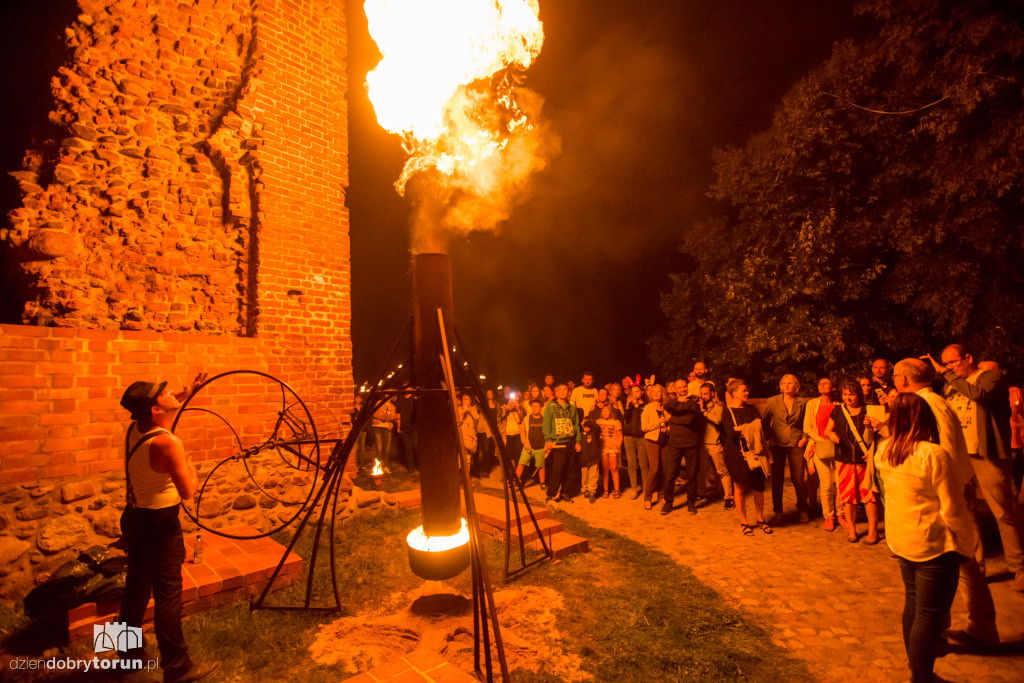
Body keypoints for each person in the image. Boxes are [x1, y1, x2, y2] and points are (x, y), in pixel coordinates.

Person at [875, 358, 999, 648]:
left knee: (964, 562)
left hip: (948, 492)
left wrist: (948, 497)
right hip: (944, 489)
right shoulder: (928, 401)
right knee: (953, 567)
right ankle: (944, 632)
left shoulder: (930, 404)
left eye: (895, 375)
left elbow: (946, 453)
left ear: (903, 379)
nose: (893, 380)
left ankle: (977, 629)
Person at [118, 376, 219, 683]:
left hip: (134, 518)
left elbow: (168, 404)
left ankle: (126, 654)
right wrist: (192, 466)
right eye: (163, 394)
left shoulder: (135, 428)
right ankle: (178, 668)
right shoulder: (168, 443)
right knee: (168, 595)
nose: (168, 393)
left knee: (136, 587)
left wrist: (188, 391)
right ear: (154, 409)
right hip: (159, 524)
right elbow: (188, 491)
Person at [874, 393, 976, 683]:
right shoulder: (932, 454)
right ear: (925, 418)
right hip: (933, 543)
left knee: (913, 603)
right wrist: (967, 543)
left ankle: (917, 666)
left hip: (902, 538)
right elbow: (952, 507)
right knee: (930, 614)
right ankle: (921, 676)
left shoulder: (883, 450)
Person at [926, 344, 1024, 593]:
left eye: (952, 362)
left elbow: (978, 395)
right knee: (967, 513)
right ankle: (977, 568)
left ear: (968, 357)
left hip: (986, 451)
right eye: (946, 364)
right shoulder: (951, 384)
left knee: (1003, 510)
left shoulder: (991, 376)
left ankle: (1019, 567)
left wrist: (945, 374)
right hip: (960, 454)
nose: (949, 368)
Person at [824, 380, 880, 543]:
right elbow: (828, 429)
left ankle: (873, 531)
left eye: (852, 394)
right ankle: (852, 530)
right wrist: (831, 435)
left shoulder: (868, 410)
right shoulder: (838, 410)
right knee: (848, 496)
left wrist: (871, 450)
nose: (848, 398)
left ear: (859, 394)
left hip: (865, 460)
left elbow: (878, 433)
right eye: (845, 394)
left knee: (869, 496)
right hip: (845, 458)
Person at [721, 379, 771, 535]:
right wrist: (751, 428)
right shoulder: (727, 412)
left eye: (746, 390)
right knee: (740, 487)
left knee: (758, 486)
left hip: (755, 452)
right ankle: (744, 522)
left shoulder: (752, 409)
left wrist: (743, 429)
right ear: (734, 393)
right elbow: (731, 433)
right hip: (736, 453)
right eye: (743, 390)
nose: (747, 393)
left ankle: (760, 519)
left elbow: (761, 428)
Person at [762, 374, 809, 524]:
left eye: (790, 384)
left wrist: (804, 437)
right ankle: (778, 512)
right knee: (777, 480)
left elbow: (807, 422)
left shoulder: (803, 403)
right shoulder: (773, 401)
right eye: (784, 383)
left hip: (796, 443)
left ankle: (803, 509)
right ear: (781, 386)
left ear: (796, 387)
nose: (787, 386)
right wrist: (770, 438)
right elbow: (764, 422)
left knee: (798, 479)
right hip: (777, 444)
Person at [661, 379, 704, 515]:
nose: (682, 389)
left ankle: (691, 502)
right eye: (679, 387)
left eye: (684, 387)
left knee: (692, 475)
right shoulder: (672, 402)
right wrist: (682, 405)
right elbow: (667, 406)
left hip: (691, 443)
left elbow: (690, 419)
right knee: (670, 475)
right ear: (675, 389)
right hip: (675, 444)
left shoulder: (694, 402)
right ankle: (668, 503)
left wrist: (675, 417)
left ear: (687, 387)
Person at [804, 378, 839, 531]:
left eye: (826, 383)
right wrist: (822, 440)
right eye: (820, 384)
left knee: (839, 483)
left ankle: (842, 514)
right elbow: (808, 427)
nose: (823, 385)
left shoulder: (839, 405)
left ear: (833, 388)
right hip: (818, 446)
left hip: (837, 447)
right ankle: (829, 516)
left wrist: (834, 440)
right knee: (826, 483)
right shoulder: (812, 404)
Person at [543, 384, 582, 503]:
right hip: (558, 443)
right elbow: (546, 424)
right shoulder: (551, 405)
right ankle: (550, 494)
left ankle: (564, 492)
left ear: (568, 392)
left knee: (569, 470)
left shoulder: (572, 406)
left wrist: (578, 441)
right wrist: (548, 439)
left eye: (565, 389)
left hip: (570, 441)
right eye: (560, 390)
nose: (563, 391)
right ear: (556, 393)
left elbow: (576, 425)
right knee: (558, 469)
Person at [699, 382, 733, 509]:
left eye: (705, 393)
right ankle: (710, 492)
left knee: (722, 471)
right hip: (702, 444)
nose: (703, 396)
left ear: (712, 393)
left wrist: (703, 412)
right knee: (703, 471)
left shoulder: (718, 408)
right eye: (701, 394)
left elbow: (717, 420)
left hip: (714, 443)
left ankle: (729, 497)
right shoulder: (700, 407)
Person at [640, 384, 670, 510]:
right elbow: (644, 427)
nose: (657, 394)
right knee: (654, 469)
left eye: (660, 392)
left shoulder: (666, 408)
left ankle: (661, 495)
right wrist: (658, 423)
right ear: (651, 395)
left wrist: (667, 429)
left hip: (665, 441)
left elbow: (670, 423)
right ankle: (647, 498)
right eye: (655, 392)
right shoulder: (647, 408)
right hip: (652, 441)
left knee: (664, 470)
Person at [622, 383, 648, 500]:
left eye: (637, 391)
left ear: (641, 392)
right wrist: (628, 406)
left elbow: (643, 420)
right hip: (628, 437)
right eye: (632, 392)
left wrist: (637, 406)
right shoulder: (629, 405)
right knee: (632, 464)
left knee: (643, 464)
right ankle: (634, 488)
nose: (635, 394)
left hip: (641, 437)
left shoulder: (646, 405)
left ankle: (647, 488)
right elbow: (626, 419)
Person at [516, 399, 546, 490]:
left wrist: (546, 445)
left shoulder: (544, 419)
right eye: (533, 406)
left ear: (540, 408)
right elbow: (522, 431)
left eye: (537, 406)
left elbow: (548, 432)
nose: (535, 408)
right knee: (521, 463)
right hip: (528, 446)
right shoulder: (527, 418)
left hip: (540, 447)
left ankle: (542, 482)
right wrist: (524, 442)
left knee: (541, 466)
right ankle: (516, 480)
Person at [597, 405, 623, 498]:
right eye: (603, 411)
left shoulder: (616, 422)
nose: (605, 413)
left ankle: (617, 489)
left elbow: (620, 436)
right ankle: (606, 490)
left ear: (610, 412)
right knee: (605, 469)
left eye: (607, 411)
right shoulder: (599, 422)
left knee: (614, 468)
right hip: (603, 448)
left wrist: (618, 447)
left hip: (612, 448)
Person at [370, 395, 397, 473]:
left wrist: (384, 417)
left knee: (387, 449)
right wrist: (384, 417)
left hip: (387, 428)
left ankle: (385, 465)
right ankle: (378, 467)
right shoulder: (379, 403)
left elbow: (393, 416)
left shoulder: (392, 406)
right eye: (387, 394)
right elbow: (374, 413)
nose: (389, 396)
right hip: (377, 426)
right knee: (379, 448)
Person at [579, 413, 602, 503]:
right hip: (584, 459)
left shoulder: (594, 433)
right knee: (584, 477)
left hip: (593, 459)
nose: (586, 428)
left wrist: (590, 421)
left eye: (588, 426)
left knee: (593, 476)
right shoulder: (580, 435)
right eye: (584, 426)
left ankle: (592, 492)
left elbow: (597, 427)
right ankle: (585, 489)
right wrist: (582, 423)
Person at [456, 393, 481, 478]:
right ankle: (459, 476)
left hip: (470, 437)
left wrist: (470, 410)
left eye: (467, 399)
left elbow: (477, 418)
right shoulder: (458, 409)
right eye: (464, 399)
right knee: (459, 457)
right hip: (461, 436)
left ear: (470, 400)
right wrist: (462, 414)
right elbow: (458, 422)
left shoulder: (473, 409)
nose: (465, 401)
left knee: (468, 458)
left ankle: (466, 476)